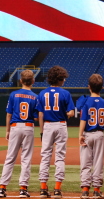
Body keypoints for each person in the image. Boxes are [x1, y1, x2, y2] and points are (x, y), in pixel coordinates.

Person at [0, 70, 39, 198]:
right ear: (33, 81)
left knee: (10, 157)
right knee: (26, 159)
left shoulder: (13, 95)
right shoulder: (35, 97)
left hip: (15, 127)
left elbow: (9, 114)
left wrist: (7, 130)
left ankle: (2, 188)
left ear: (20, 81)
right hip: (28, 127)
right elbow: (36, 117)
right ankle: (23, 188)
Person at [37, 65, 75, 199]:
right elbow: (70, 112)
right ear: (59, 79)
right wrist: (69, 114)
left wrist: (41, 132)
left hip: (47, 126)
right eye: (63, 78)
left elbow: (40, 115)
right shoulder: (65, 93)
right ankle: (57, 189)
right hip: (60, 125)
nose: (64, 80)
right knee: (60, 157)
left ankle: (43, 189)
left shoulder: (42, 93)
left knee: (45, 156)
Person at [78, 74, 104, 199]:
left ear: (89, 87)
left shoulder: (86, 102)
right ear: (102, 87)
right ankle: (97, 191)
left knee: (85, 162)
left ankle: (85, 191)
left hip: (87, 133)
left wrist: (80, 135)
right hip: (99, 134)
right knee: (98, 162)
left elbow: (83, 120)